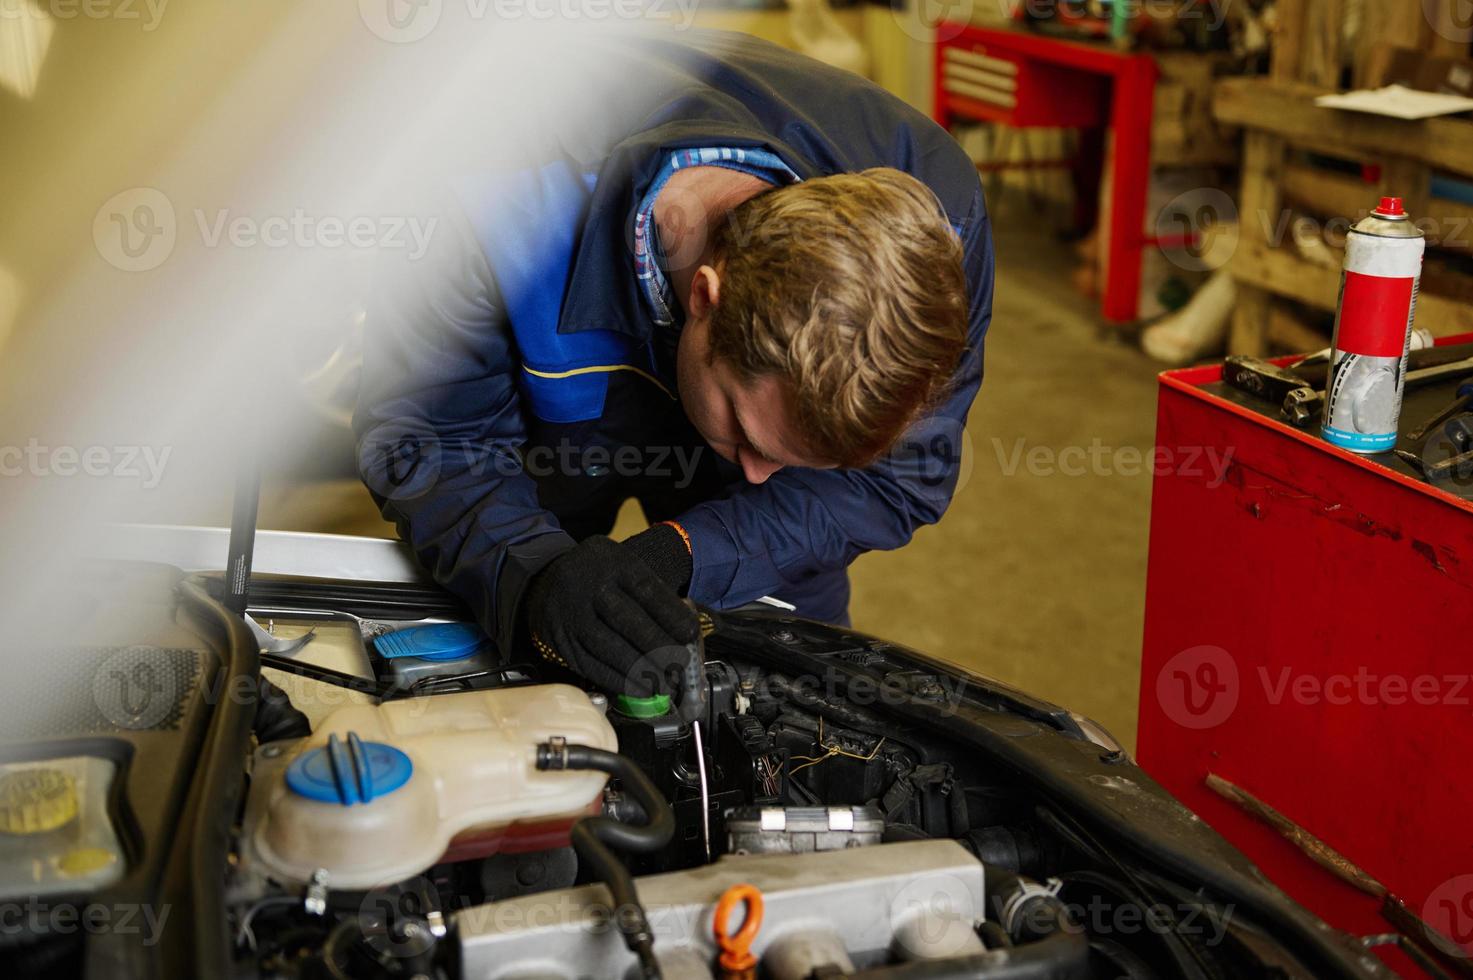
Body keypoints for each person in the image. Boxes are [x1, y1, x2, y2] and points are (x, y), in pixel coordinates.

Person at [355, 29, 994, 700]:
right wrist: (534, 579)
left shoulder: (932, 226)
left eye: (795, 455)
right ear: (705, 297)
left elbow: (894, 480)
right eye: (747, 435)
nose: (757, 475)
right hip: (538, 450)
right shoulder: (481, 185)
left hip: (769, 531)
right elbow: (432, 439)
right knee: (518, 668)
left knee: (782, 713)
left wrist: (685, 551)